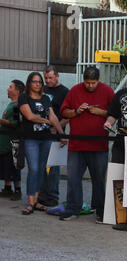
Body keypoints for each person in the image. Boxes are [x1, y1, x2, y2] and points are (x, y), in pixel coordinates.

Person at [59, 66, 114, 222]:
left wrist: (101, 112)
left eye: (93, 82)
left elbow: (116, 112)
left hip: (99, 144)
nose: (90, 86)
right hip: (77, 144)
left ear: (99, 80)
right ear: (84, 80)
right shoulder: (75, 90)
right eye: (88, 82)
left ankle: (100, 210)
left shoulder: (107, 91)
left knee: (98, 179)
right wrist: (76, 111)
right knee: (73, 178)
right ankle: (73, 208)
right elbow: (63, 112)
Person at [18, 72, 66, 215]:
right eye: (35, 82)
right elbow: (30, 116)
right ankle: (30, 201)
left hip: (46, 139)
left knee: (41, 170)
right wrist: (46, 121)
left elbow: (54, 117)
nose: (38, 84)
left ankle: (36, 201)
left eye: (39, 82)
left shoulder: (46, 98)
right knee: (33, 169)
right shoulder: (23, 97)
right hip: (31, 139)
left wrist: (61, 134)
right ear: (29, 83)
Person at [37, 65, 70, 208]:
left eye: (50, 78)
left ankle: (52, 198)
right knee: (41, 167)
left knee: (53, 168)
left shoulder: (65, 92)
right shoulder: (43, 90)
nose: (48, 81)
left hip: (56, 135)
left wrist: (57, 130)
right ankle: (41, 197)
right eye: (45, 78)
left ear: (57, 76)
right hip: (42, 133)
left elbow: (68, 116)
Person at [0, 80, 25, 201]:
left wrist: (0, 121)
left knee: (14, 166)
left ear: (17, 91)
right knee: (6, 165)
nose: (7, 89)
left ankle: (17, 190)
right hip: (5, 144)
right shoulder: (11, 104)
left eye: (10, 87)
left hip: (12, 143)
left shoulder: (16, 106)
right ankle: (7, 188)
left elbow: (14, 123)